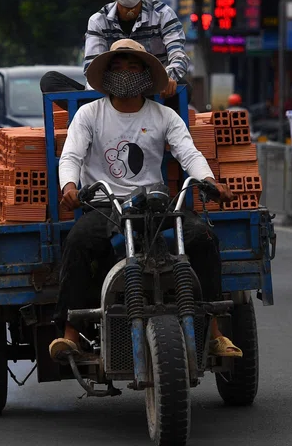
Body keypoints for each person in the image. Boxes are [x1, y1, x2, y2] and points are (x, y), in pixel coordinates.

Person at [49, 39, 240, 361]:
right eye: (117, 66)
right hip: (105, 204)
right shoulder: (88, 114)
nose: (124, 72)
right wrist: (69, 187)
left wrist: (210, 182)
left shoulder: (164, 116)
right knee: (79, 240)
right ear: (107, 73)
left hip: (155, 203)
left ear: (146, 73)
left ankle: (214, 333)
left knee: (204, 238)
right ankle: (70, 333)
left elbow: (188, 153)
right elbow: (71, 156)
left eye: (133, 65)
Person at [40, 0, 191, 108]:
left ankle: (133, 113)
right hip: (110, 92)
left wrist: (167, 78)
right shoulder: (99, 20)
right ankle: (101, 113)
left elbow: (178, 54)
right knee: (50, 80)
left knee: (184, 87)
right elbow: (92, 67)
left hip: (152, 91)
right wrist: (113, 90)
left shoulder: (162, 14)